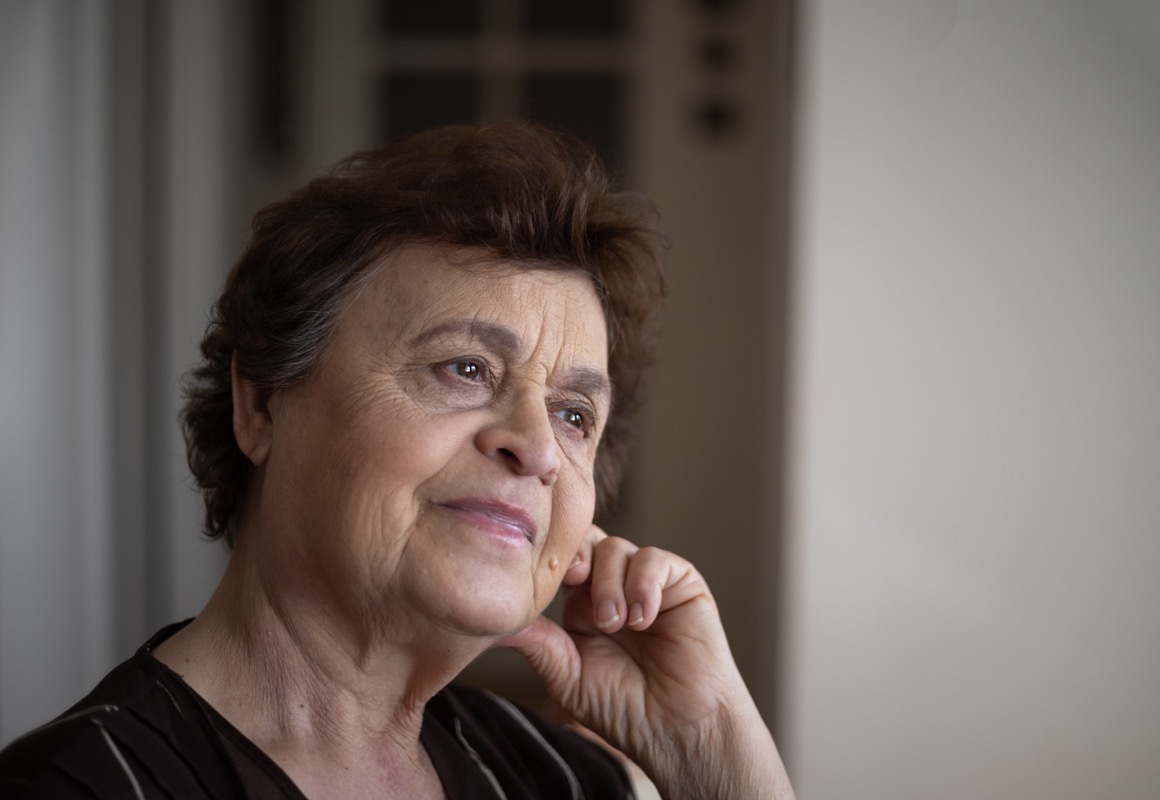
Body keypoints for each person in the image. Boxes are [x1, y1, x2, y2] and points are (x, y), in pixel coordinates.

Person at [0, 120, 794, 799]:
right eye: (465, 368)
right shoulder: (76, 787)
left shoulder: (569, 780)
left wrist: (712, 753)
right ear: (263, 403)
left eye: (574, 413)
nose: (538, 445)